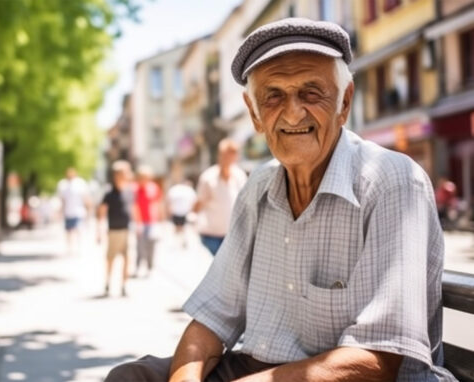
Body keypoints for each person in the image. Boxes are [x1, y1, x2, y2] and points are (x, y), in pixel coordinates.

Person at [106, 18, 456, 382]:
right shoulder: (258, 187)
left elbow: (376, 361)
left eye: (311, 92)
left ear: (345, 101)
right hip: (258, 367)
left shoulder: (392, 180)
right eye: (273, 95)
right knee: (132, 377)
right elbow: (212, 318)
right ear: (254, 114)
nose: (292, 112)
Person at [194, 139, 247, 255]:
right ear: (220, 155)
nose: (229, 158)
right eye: (227, 154)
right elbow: (196, 206)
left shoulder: (240, 176)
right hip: (211, 235)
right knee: (222, 268)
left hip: (232, 234)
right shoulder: (208, 177)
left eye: (233, 154)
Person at [97, 160, 134, 297]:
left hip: (126, 229)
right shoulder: (109, 193)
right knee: (110, 258)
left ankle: (124, 285)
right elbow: (101, 212)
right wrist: (99, 231)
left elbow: (133, 210)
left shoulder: (129, 191)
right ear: (117, 175)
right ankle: (108, 282)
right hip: (113, 230)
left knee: (127, 258)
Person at [133, 165, 163, 277]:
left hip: (152, 222)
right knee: (140, 246)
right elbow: (133, 206)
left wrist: (161, 221)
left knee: (151, 245)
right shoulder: (134, 189)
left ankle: (150, 267)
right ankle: (138, 266)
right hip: (139, 222)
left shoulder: (154, 188)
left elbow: (158, 204)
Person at [57, 168, 91, 252]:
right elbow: (62, 200)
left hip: (78, 211)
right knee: (69, 231)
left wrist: (88, 209)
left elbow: (85, 198)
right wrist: (60, 211)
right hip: (68, 212)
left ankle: (79, 247)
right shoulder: (63, 185)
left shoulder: (80, 183)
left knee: (78, 229)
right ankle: (70, 248)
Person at [166, 179, 197, 249]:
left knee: (177, 228)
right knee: (184, 228)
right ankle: (181, 242)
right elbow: (194, 201)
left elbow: (168, 200)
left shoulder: (174, 189)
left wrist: (169, 210)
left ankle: (177, 242)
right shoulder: (189, 190)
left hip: (177, 211)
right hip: (184, 212)